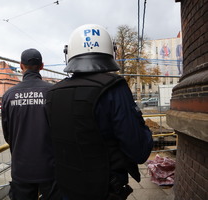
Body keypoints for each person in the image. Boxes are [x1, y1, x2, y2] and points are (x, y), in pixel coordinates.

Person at [46, 24, 153, 200]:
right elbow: (138, 150)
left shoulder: (52, 94)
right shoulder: (115, 89)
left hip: (64, 188)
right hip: (103, 190)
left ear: (68, 53)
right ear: (112, 51)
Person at [1, 48, 60, 200]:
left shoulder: (9, 95)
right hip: (50, 168)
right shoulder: (53, 92)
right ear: (42, 66)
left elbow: (7, 134)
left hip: (22, 168)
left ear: (21, 66)